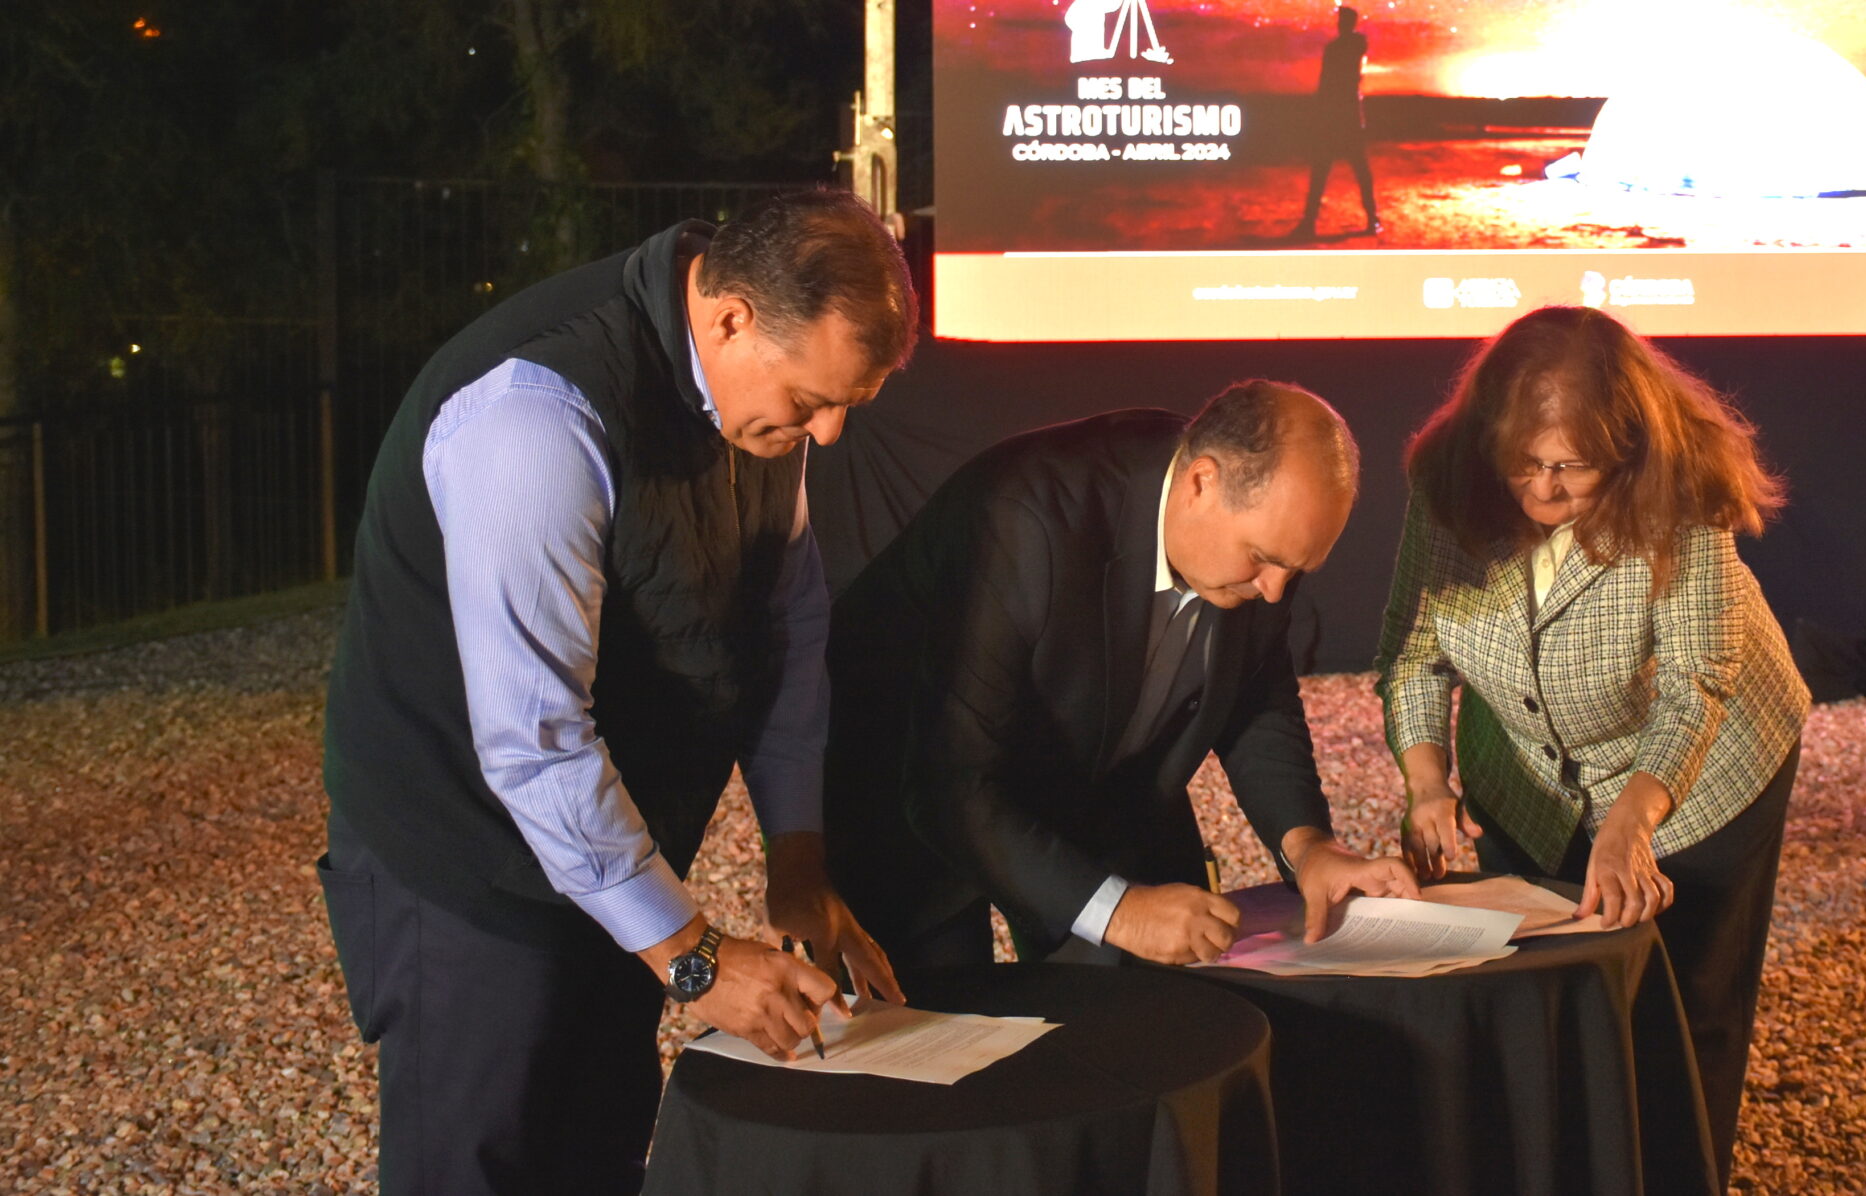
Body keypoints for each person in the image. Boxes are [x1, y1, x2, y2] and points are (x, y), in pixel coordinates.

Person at [319, 189, 917, 1196]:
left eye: (846, 404)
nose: (828, 433)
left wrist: (798, 860)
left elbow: (787, 624)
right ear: (731, 318)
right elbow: (535, 739)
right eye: (813, 399)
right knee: (480, 1166)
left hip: (614, 841)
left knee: (598, 1153)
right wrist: (693, 958)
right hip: (464, 858)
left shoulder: (758, 400)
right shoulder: (535, 413)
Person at [1375, 305, 1809, 1190]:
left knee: (1682, 1002)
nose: (1542, 490)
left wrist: (1631, 822)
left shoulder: (1681, 488)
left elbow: (1695, 682)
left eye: (1571, 467)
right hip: (1523, 775)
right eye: (1523, 464)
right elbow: (1413, 653)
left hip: (1700, 772)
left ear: (1624, 448)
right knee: (1538, 990)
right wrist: (1427, 783)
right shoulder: (1448, 480)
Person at [823, 381, 1417, 967]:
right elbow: (948, 783)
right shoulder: (1023, 519)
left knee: (1161, 1005)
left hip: (1104, 791)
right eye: (1262, 558)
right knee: (942, 1018)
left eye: (1296, 570)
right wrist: (1120, 912)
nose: (1275, 592)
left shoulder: (1263, 550)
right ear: (1200, 483)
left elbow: (1257, 697)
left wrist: (1310, 846)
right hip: (914, 802)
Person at [1288, 4, 1381, 238]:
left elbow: (1326, 82)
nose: (1338, 24)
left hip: (1337, 117)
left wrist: (1320, 114)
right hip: (1347, 117)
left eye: (1341, 20)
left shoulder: (1343, 46)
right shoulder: (1352, 44)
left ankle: (1310, 222)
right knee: (1356, 170)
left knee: (1325, 170)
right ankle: (1372, 219)